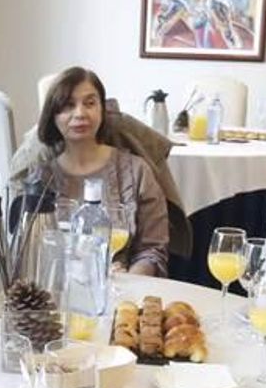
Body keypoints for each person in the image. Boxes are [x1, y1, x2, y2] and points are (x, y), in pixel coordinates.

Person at [25, 67, 171, 276]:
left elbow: (153, 251)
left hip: (124, 294)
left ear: (103, 110)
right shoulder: (40, 179)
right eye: (68, 106)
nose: (80, 113)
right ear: (53, 116)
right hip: (56, 294)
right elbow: (31, 254)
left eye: (90, 103)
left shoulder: (136, 171)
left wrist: (128, 282)